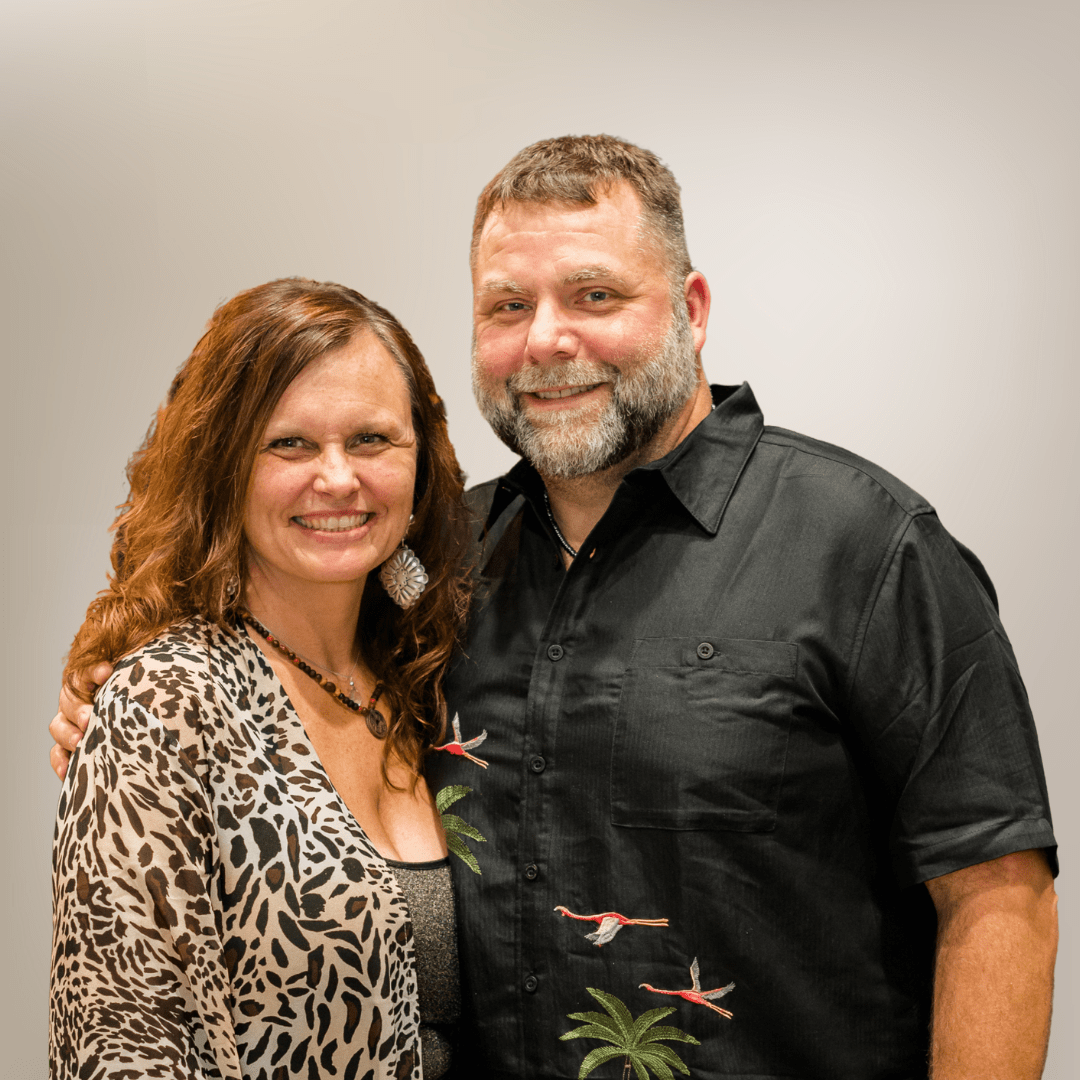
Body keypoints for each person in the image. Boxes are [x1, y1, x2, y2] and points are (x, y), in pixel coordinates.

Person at [53, 136, 1059, 1079]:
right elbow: (283, 640)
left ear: (692, 307)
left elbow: (996, 892)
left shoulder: (863, 546)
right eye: (505, 308)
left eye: (594, 293)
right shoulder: (439, 564)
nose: (547, 340)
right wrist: (130, 697)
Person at [49, 278, 473, 1080]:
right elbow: (121, 1044)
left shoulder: (431, 676)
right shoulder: (165, 702)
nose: (339, 478)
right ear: (223, 465)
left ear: (421, 459)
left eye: (373, 439)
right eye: (291, 444)